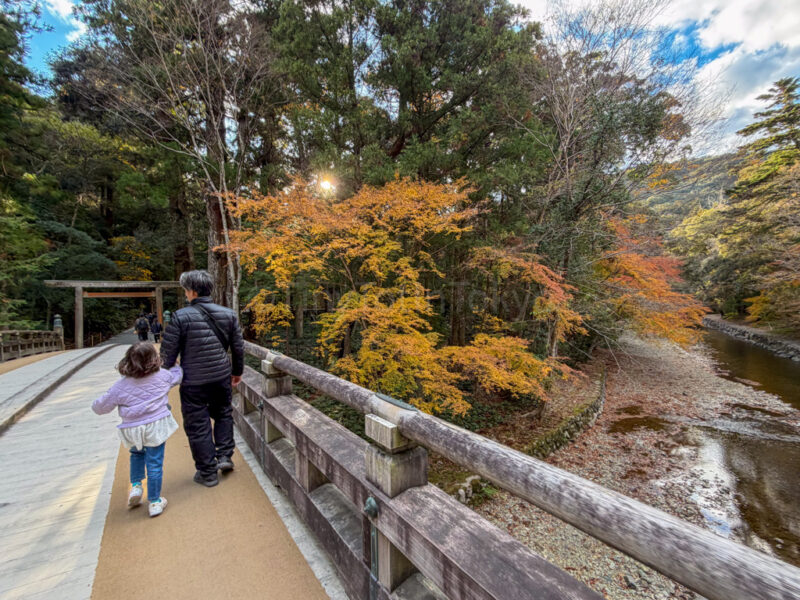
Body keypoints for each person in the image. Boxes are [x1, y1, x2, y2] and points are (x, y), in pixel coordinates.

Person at [160, 270, 244, 487]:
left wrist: (168, 371)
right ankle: (224, 456)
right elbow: (237, 347)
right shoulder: (228, 314)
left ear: (193, 291)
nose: (186, 294)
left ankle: (207, 472)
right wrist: (237, 372)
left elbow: (167, 354)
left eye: (186, 290)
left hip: (193, 381)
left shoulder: (180, 317)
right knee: (223, 414)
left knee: (198, 424)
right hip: (220, 376)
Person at [92, 342, 182, 517]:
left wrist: (96, 404)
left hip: (132, 429)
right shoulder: (163, 376)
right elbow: (176, 377)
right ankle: (155, 501)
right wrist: (177, 366)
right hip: (155, 427)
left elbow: (100, 407)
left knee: (137, 454)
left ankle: (136, 486)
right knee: (154, 463)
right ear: (154, 359)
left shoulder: (121, 386)